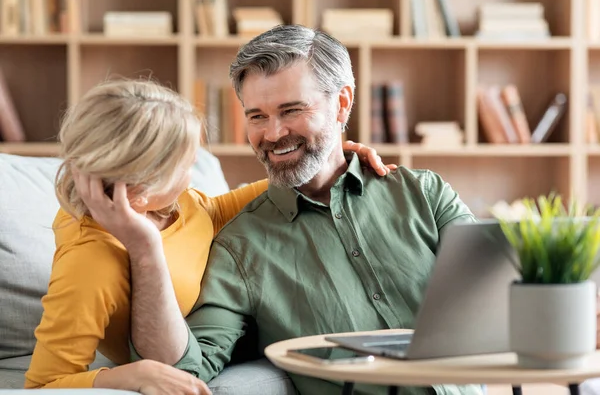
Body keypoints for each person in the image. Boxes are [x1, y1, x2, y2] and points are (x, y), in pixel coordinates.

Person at [76, 24, 481, 395]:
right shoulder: (241, 244)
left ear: (341, 104)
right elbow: (183, 369)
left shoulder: (424, 194)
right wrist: (144, 249)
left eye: (291, 110)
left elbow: (500, 302)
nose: (272, 134)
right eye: (257, 116)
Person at [24, 78, 393, 393]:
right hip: (212, 343)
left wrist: (327, 158)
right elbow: (43, 384)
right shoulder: (90, 263)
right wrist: (129, 374)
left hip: (247, 311)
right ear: (140, 187)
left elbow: (223, 208)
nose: (191, 174)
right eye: (185, 165)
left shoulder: (178, 204)